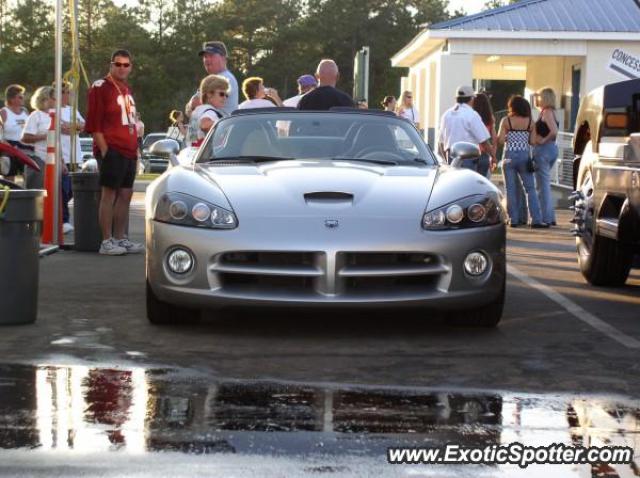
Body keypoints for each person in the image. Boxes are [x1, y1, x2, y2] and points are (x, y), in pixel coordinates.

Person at [85, 49, 145, 255]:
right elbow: (94, 123)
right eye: (117, 64)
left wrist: (136, 148)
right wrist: (105, 150)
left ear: (131, 67)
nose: (122, 68)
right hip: (112, 148)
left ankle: (121, 238)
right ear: (111, 65)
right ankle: (106, 241)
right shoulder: (100, 86)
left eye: (126, 65)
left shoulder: (126, 89)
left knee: (126, 194)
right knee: (109, 194)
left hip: (128, 149)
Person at [497, 95, 547, 228]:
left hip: (509, 157)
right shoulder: (530, 122)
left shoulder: (506, 121)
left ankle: (513, 219)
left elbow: (501, 140)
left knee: (510, 189)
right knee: (530, 189)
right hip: (524, 158)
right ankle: (536, 219)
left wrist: (508, 137)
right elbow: (532, 141)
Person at [55, 81, 86, 234]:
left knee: (72, 190)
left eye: (68, 92)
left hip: (75, 156)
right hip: (62, 156)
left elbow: (83, 125)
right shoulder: (53, 110)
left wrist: (72, 126)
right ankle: (63, 220)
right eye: (64, 92)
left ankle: (59, 214)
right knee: (64, 189)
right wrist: (73, 126)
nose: (67, 95)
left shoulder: (72, 109)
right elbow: (62, 128)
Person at [437, 85, 491, 170]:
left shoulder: (446, 115)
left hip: (451, 158)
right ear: (471, 99)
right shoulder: (472, 114)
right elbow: (484, 141)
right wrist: (493, 157)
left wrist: (446, 161)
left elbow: (441, 142)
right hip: (469, 159)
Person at [186, 41, 238, 117]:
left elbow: (195, 103)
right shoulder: (213, 79)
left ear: (223, 58)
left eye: (211, 56)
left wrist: (192, 106)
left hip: (220, 127)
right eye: (205, 56)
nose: (207, 59)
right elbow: (189, 108)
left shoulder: (225, 78)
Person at [532, 87, 559, 226]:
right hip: (551, 149)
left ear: (545, 98)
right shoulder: (548, 112)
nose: (537, 98)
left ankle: (546, 218)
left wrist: (542, 140)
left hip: (544, 150)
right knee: (544, 184)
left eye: (539, 96)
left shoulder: (547, 112)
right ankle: (550, 216)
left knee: (543, 186)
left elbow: (554, 131)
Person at [21, 86, 55, 190]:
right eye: (53, 98)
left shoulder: (55, 115)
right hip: (38, 159)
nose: (56, 100)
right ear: (44, 99)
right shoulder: (36, 115)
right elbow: (25, 138)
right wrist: (46, 136)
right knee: (37, 194)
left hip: (53, 159)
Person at [0, 84, 31, 182]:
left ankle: (28, 196)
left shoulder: (25, 112)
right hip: (9, 148)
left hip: (25, 148)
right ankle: (10, 196)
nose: (23, 99)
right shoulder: (3, 112)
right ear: (12, 99)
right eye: (20, 97)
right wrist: (8, 146)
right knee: (9, 179)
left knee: (29, 177)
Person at [190, 74, 229, 146]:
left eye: (226, 95)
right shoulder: (210, 111)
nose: (225, 98)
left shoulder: (198, 111)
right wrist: (226, 123)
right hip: (208, 155)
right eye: (221, 94)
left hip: (194, 152)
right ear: (209, 94)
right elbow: (204, 125)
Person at [471, 92, 497, 177]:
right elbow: (494, 140)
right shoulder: (490, 118)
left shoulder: (470, 117)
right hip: (484, 154)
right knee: (482, 183)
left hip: (471, 153)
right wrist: (493, 156)